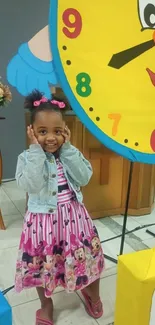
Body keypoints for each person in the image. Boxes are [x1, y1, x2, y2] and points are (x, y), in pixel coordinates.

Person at [15, 90, 104, 325]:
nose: (51, 138)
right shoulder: (27, 157)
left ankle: (92, 293)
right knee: (42, 268)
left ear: (65, 130)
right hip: (42, 226)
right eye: (43, 132)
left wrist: (68, 149)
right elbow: (30, 184)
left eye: (57, 131)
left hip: (75, 222)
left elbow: (84, 177)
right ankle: (46, 304)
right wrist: (36, 151)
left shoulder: (68, 154)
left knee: (87, 259)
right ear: (32, 132)